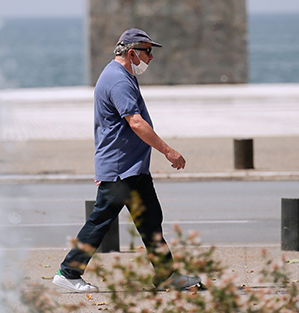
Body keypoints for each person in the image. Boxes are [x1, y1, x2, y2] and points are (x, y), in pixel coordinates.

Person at [53, 28, 201, 292]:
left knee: (150, 220)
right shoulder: (118, 80)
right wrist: (168, 151)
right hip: (121, 168)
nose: (151, 58)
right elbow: (135, 122)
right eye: (148, 52)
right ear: (132, 53)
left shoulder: (121, 75)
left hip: (133, 169)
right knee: (100, 222)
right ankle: (68, 273)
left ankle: (167, 276)